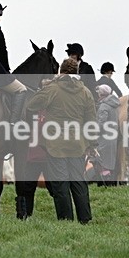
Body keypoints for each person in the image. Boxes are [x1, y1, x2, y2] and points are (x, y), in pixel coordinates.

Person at [25, 57, 97, 224]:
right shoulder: (86, 92)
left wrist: (46, 86)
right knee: (78, 182)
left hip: (55, 144)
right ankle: (85, 219)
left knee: (61, 184)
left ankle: (66, 220)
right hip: (78, 144)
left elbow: (31, 105)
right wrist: (92, 144)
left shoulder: (53, 89)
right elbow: (91, 121)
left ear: (61, 72)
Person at [93, 84, 120, 183]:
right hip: (112, 138)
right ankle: (108, 182)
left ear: (101, 94)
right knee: (109, 162)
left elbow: (100, 124)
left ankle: (103, 183)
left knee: (102, 162)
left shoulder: (104, 106)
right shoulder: (114, 106)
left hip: (103, 139)